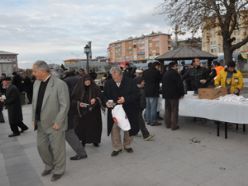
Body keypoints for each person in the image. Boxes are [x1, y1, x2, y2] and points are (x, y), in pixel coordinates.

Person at [32, 61, 70, 182]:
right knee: (41, 146)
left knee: (57, 148)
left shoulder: (59, 84)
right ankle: (49, 165)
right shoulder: (36, 83)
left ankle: (59, 170)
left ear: (43, 71)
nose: (33, 74)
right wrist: (34, 118)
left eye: (35, 71)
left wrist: (59, 121)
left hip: (55, 123)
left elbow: (65, 105)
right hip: (40, 122)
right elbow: (35, 103)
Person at [103, 67, 140, 156]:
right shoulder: (108, 83)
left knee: (128, 128)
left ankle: (127, 145)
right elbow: (104, 95)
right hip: (114, 111)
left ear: (121, 74)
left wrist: (125, 99)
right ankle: (117, 147)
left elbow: (136, 94)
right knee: (114, 129)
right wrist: (106, 102)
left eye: (116, 77)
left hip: (128, 109)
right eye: (112, 77)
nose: (114, 79)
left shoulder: (130, 82)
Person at [72, 74, 102, 147]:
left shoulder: (95, 88)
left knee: (94, 127)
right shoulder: (78, 88)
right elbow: (73, 100)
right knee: (83, 127)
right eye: (86, 81)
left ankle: (95, 140)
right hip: (83, 112)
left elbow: (101, 97)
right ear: (83, 81)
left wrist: (95, 99)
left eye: (89, 81)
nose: (87, 82)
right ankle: (83, 140)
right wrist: (79, 103)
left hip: (94, 112)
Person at [64, 71, 87, 161]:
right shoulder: (80, 79)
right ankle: (83, 142)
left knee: (69, 131)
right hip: (80, 104)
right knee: (78, 125)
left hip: (70, 106)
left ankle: (81, 151)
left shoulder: (65, 81)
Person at [162, 62, 184, 130]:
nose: (177, 67)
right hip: (174, 95)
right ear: (174, 66)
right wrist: (182, 93)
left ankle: (167, 124)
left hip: (166, 95)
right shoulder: (175, 73)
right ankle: (174, 125)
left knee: (167, 109)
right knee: (174, 110)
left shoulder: (165, 73)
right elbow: (179, 84)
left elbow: (163, 84)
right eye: (176, 66)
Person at [134, 76, 155, 141]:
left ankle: (134, 132)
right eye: (143, 81)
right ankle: (146, 135)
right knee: (141, 122)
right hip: (137, 108)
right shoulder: (139, 90)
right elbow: (140, 101)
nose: (144, 82)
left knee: (137, 121)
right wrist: (141, 107)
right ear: (139, 82)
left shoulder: (139, 89)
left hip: (137, 108)